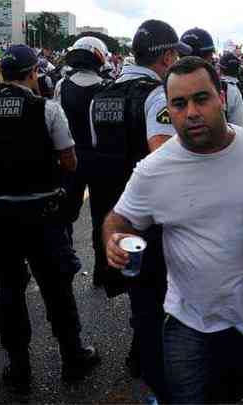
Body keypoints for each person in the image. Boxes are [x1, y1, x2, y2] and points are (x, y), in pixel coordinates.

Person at [103, 56, 243, 404]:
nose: (191, 112)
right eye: (178, 103)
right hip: (190, 326)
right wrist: (113, 240)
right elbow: (118, 220)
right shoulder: (154, 170)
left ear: (221, 97)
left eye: (201, 98)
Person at [0, 45, 100, 394]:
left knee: (8, 290)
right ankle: (72, 356)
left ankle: (18, 368)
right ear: (33, 73)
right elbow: (69, 162)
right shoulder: (47, 109)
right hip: (42, 216)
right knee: (57, 287)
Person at [90, 19, 191, 401]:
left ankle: (145, 363)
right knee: (163, 303)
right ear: (167, 56)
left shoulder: (103, 94)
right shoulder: (155, 94)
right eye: (176, 56)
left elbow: (99, 153)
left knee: (141, 298)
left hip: (117, 214)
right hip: (153, 218)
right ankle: (168, 386)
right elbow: (164, 153)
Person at [54, 36, 112, 286]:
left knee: (65, 215)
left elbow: (58, 124)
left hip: (70, 157)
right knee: (101, 217)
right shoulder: (107, 87)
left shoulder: (62, 85)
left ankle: (63, 263)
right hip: (98, 158)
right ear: (99, 57)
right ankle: (101, 271)